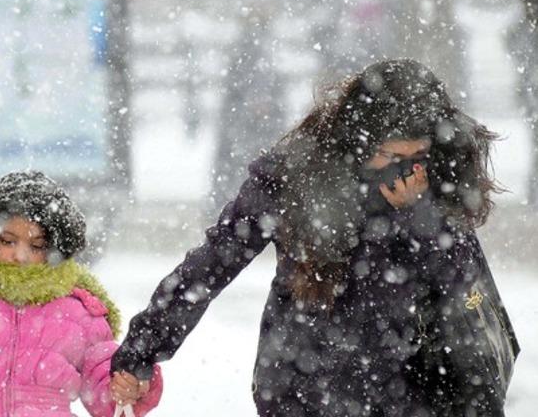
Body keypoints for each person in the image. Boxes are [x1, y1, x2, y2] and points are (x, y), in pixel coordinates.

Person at [109, 59, 519, 416]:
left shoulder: (437, 182)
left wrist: (421, 219)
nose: (405, 171)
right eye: (392, 157)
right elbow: (216, 261)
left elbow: (462, 290)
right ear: (360, 140)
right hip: (306, 385)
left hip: (415, 387)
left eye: (416, 157)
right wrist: (143, 348)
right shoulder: (295, 177)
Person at [0, 171, 162, 417]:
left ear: (55, 248)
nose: (21, 256)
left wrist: (129, 385)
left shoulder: (77, 313)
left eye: (37, 246)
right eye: (8, 241)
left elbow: (106, 395)